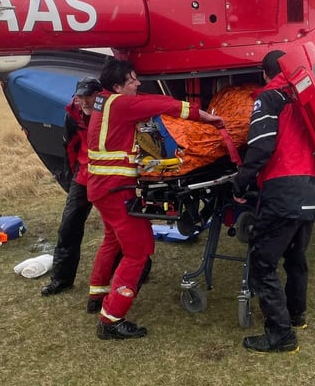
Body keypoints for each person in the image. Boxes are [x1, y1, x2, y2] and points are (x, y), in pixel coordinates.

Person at [87, 58, 224, 340]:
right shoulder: (122, 105)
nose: (137, 83)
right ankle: (111, 319)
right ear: (117, 86)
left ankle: (97, 294)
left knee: (112, 239)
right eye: (132, 80)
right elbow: (163, 105)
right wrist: (205, 116)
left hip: (100, 186)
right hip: (114, 189)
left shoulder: (104, 101)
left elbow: (147, 99)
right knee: (137, 251)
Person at [232, 50, 315, 354]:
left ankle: (280, 335)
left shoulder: (269, 97)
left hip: (283, 190)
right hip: (312, 190)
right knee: (296, 259)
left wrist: (241, 181)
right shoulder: (306, 98)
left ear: (264, 73)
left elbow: (261, 146)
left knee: (262, 263)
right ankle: (296, 315)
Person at [41, 77, 103, 297]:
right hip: (84, 177)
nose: (84, 101)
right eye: (80, 97)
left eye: (89, 96)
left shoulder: (112, 112)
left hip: (109, 177)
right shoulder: (72, 114)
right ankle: (61, 279)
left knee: (121, 229)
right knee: (68, 227)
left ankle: (138, 271)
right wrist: (71, 179)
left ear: (99, 95)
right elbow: (70, 147)